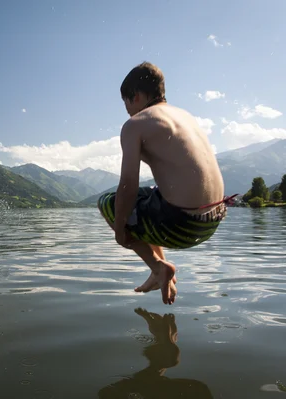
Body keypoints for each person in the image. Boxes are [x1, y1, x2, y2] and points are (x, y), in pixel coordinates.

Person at [98, 62, 236, 305]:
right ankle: (159, 270)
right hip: (215, 218)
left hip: (182, 225)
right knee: (147, 198)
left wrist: (119, 231)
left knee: (108, 203)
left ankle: (157, 266)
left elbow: (128, 185)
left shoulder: (136, 124)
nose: (128, 111)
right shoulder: (186, 117)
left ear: (137, 96)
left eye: (127, 103)